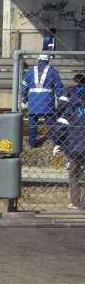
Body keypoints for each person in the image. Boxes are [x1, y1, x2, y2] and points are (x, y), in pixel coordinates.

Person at [20, 54, 67, 148]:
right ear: (48, 61)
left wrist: (23, 99)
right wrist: (60, 99)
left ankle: (32, 143)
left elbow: (24, 85)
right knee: (51, 122)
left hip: (33, 99)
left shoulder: (30, 71)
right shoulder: (53, 71)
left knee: (32, 122)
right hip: (47, 99)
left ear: (38, 60)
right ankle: (56, 143)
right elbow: (58, 87)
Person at [56, 74, 85, 210]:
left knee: (73, 173)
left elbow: (61, 125)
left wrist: (58, 143)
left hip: (73, 144)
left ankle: (75, 202)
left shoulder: (72, 106)